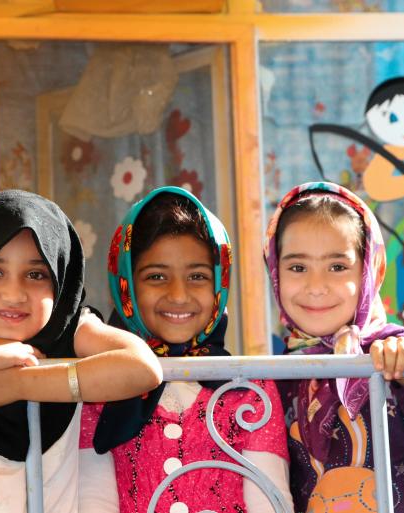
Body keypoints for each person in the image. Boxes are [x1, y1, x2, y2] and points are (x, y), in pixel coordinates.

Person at [263, 181, 404, 513]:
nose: (316, 287)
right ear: (274, 271)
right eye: (298, 267)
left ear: (372, 268)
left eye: (337, 267)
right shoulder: (278, 375)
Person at [0, 189, 162, 513]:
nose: (14, 294)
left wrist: (19, 384)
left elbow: (142, 368)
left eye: (36, 274)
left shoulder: (67, 328)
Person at [79, 186, 293, 513]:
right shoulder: (101, 386)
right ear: (125, 285)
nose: (179, 295)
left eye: (197, 276)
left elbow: (271, 502)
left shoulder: (250, 388)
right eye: (156, 276)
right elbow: (93, 501)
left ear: (219, 282)